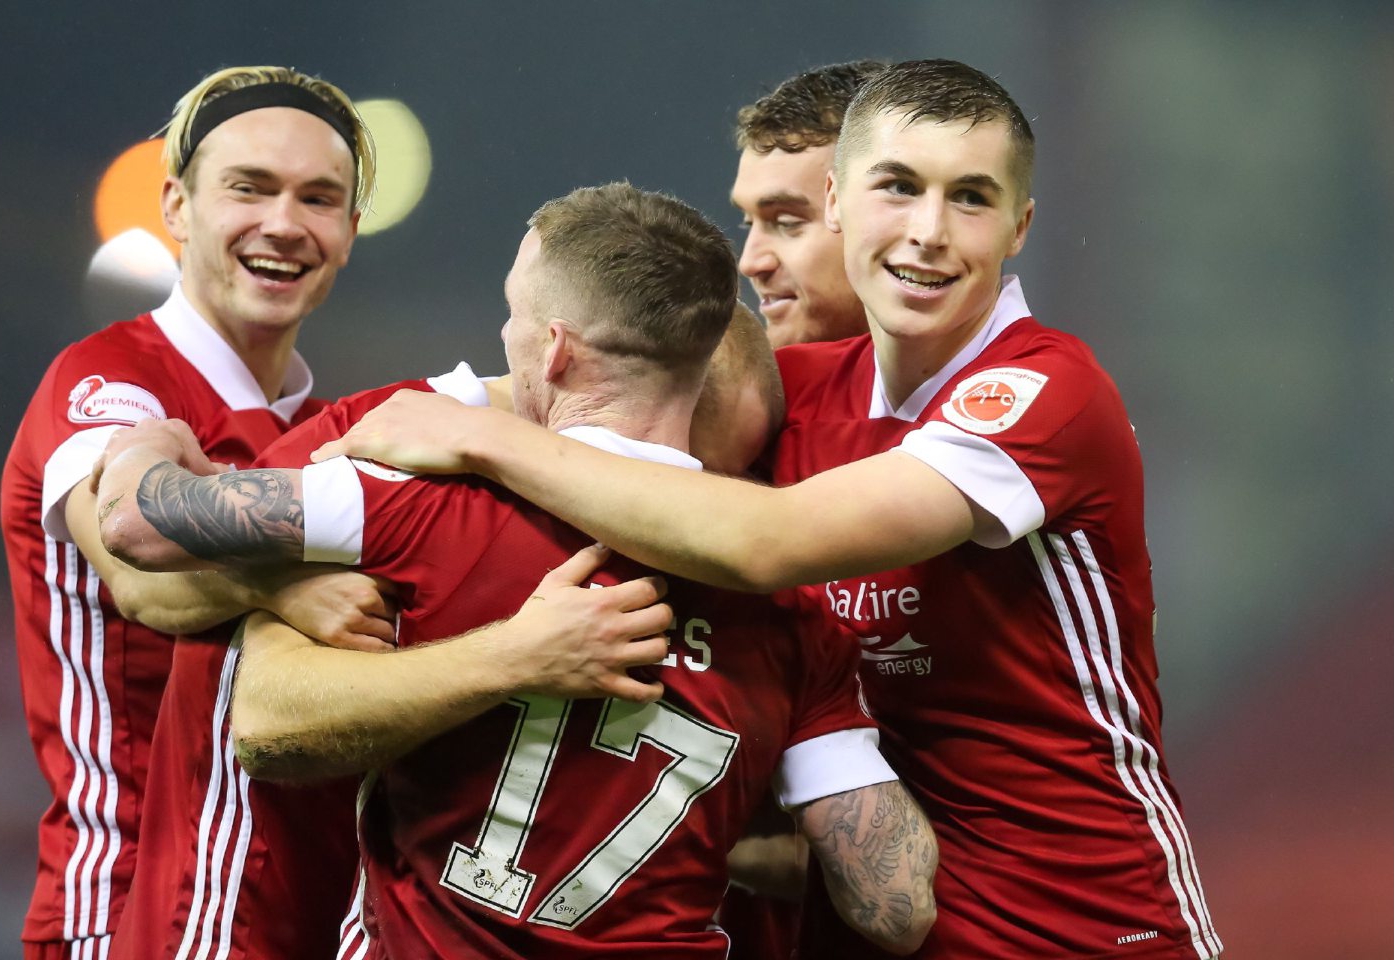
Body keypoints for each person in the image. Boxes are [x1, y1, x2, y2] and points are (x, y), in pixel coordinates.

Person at [315, 61, 1224, 959]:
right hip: (868, 926)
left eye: (972, 199)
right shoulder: (787, 395)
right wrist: (295, 552)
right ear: (843, 203)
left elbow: (766, 544)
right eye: (899, 189)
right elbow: (562, 395)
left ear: (1021, 225)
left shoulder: (1044, 393)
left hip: (1083, 928)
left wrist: (486, 440)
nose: (930, 233)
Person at [94, 183, 939, 958]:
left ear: (558, 350)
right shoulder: (800, 622)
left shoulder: (420, 502)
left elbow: (140, 529)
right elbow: (895, 907)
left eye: (514, 317)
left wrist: (146, 443)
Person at [0, 64, 397, 960]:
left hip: (301, 911)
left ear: (350, 231)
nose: (285, 225)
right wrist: (283, 592)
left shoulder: (322, 425)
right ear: (177, 206)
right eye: (249, 189)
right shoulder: (112, 384)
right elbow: (141, 574)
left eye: (319, 199)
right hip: (128, 904)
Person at [724, 59, 889, 960]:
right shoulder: (727, 415)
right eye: (749, 219)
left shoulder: (1005, 415)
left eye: (786, 221)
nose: (750, 258)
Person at [731, 60, 886, 348]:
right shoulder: (742, 389)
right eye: (748, 223)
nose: (750, 264)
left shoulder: (988, 385)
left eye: (786, 223)